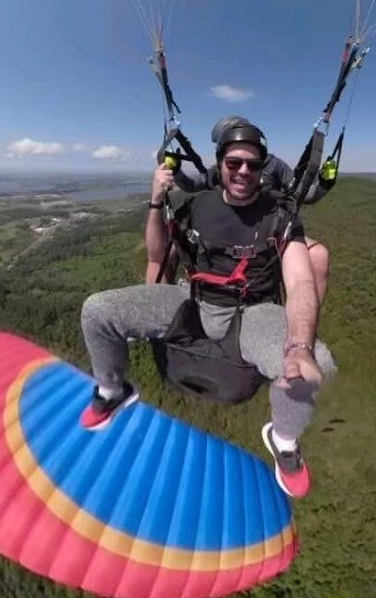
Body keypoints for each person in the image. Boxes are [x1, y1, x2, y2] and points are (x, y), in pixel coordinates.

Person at [79, 121, 336, 498]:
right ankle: (112, 388)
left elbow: (299, 281)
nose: (244, 171)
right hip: (193, 299)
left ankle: (284, 440)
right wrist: (155, 200)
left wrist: (298, 346)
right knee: (97, 311)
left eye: (252, 164)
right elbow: (157, 251)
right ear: (221, 164)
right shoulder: (197, 206)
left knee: (319, 366)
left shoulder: (280, 216)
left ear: (263, 167)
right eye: (234, 163)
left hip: (253, 311)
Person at [161, 115, 334, 304]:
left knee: (318, 255)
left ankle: (304, 319)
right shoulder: (224, 168)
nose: (242, 170)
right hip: (224, 227)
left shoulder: (274, 165)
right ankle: (170, 307)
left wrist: (323, 184)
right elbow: (193, 185)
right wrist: (175, 170)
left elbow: (301, 195)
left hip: (267, 228)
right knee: (167, 250)